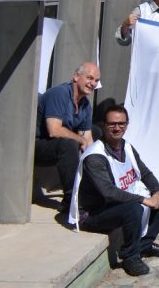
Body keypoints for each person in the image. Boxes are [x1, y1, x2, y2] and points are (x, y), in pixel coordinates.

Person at [70, 105, 159, 277]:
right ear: (104, 125)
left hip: (114, 204)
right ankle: (130, 256)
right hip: (93, 214)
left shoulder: (126, 147)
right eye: (112, 124)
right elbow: (108, 192)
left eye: (121, 124)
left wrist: (157, 192)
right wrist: (143, 199)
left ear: (127, 125)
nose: (117, 128)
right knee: (133, 207)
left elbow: (145, 173)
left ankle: (145, 245)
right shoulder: (95, 156)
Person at [35, 62, 100, 212]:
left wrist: (97, 172)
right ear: (76, 76)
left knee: (96, 132)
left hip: (57, 144)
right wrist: (80, 140)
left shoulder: (85, 105)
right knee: (69, 143)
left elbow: (88, 140)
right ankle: (73, 199)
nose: (93, 83)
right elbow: (54, 130)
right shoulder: (59, 93)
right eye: (90, 78)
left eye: (96, 80)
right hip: (36, 146)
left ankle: (89, 188)